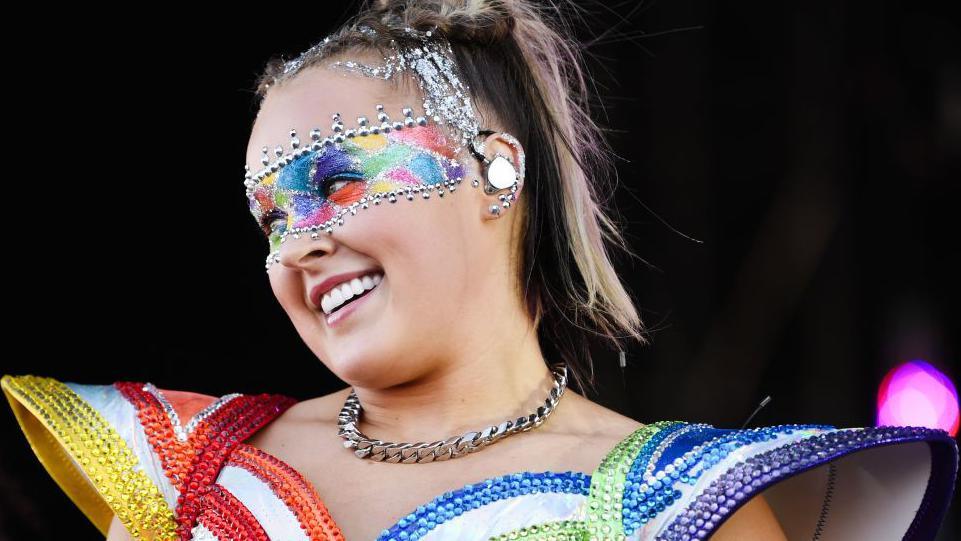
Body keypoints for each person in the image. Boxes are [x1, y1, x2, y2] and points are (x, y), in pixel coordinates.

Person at [3, 1, 957, 540]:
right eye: (269, 217)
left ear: (495, 168)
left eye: (335, 179)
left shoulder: (683, 505)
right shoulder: (193, 471)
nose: (296, 244)